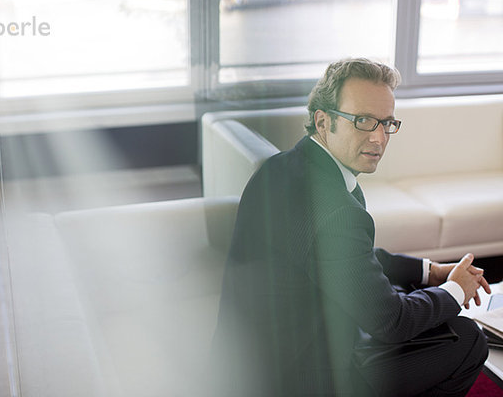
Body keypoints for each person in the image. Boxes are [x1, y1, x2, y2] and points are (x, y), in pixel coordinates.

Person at [209, 58, 491, 396]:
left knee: (422, 304)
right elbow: (391, 322)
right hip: (303, 380)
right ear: (323, 121)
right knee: (466, 338)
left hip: (247, 367)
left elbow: (345, 256)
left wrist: (428, 271)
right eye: (363, 121)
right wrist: (457, 290)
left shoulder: (280, 168)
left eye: (387, 123)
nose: (378, 138)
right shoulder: (335, 208)